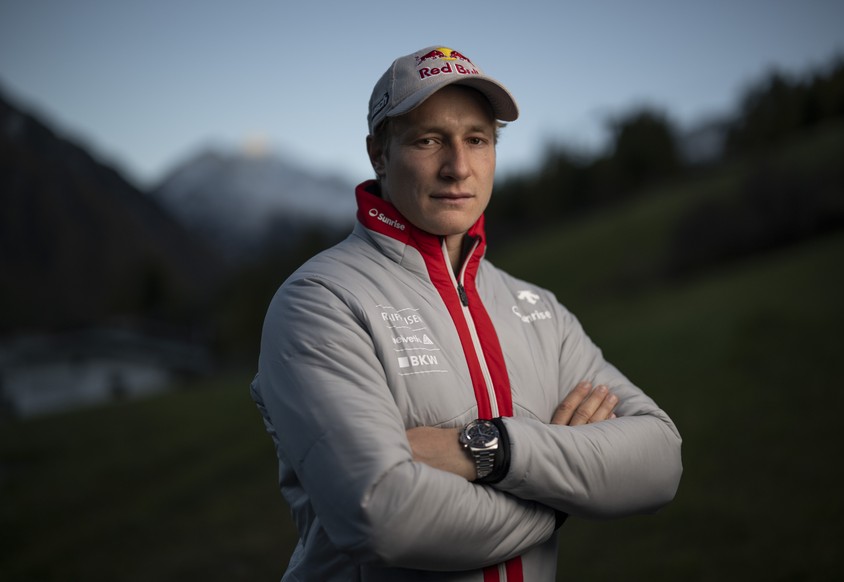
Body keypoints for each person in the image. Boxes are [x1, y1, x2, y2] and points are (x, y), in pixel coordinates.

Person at [251, 45, 682, 581]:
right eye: (429, 139)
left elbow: (660, 461)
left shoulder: (538, 310)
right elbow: (381, 517)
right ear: (378, 153)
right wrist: (567, 490)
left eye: (477, 139)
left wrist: (490, 451)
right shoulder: (321, 301)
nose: (458, 167)